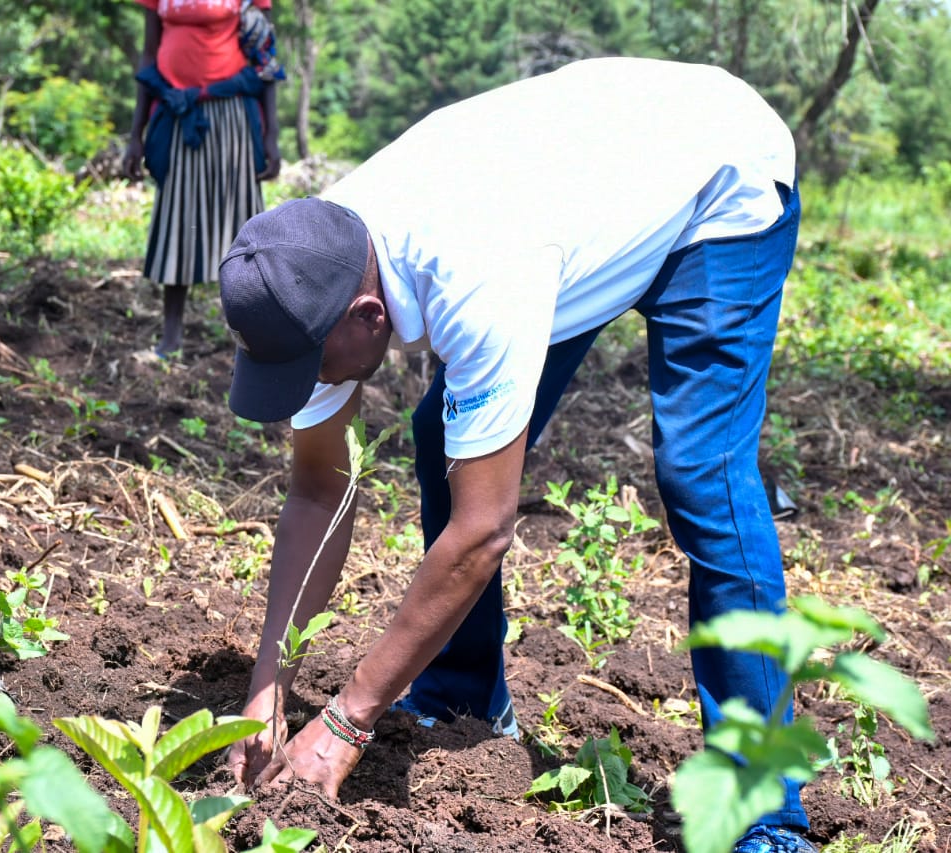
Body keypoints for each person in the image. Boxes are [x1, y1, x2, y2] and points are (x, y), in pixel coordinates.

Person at [219, 58, 814, 853]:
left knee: (703, 473)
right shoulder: (313, 261)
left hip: (716, 175)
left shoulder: (476, 273)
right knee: (443, 437)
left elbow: (484, 529)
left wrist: (346, 720)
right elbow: (319, 490)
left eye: (312, 367)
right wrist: (268, 688)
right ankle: (462, 698)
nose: (311, 385)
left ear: (368, 315)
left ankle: (765, 811)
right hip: (583, 195)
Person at [122, 0, 282, 358]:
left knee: (240, 223)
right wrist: (136, 134)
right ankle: (171, 336)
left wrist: (272, 133)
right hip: (178, 110)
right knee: (177, 215)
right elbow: (149, 56)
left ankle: (250, 334)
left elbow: (266, 56)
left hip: (230, 113)